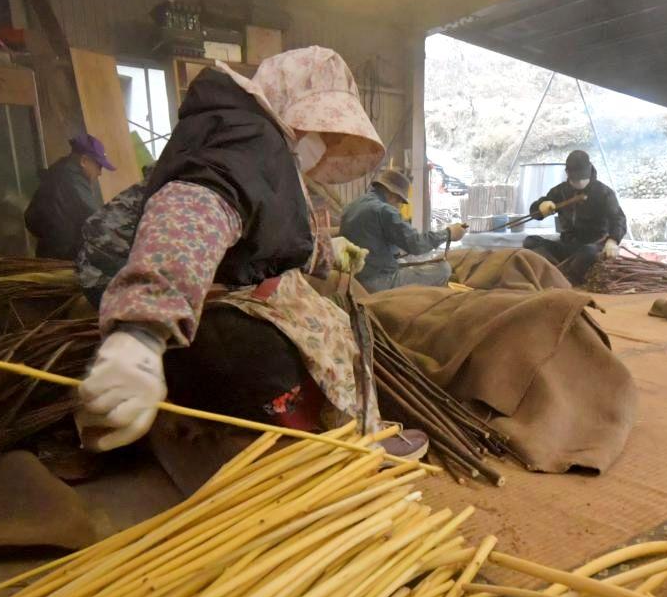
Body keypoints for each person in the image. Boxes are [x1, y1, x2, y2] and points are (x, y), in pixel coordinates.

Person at [75, 46, 426, 460]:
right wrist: (141, 330)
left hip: (175, 272)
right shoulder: (248, 140)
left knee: (312, 306)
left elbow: (260, 235)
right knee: (316, 326)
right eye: (322, 132)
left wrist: (326, 251)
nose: (324, 145)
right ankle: (345, 436)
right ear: (292, 108)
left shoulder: (248, 139)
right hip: (148, 277)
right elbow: (196, 210)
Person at [339, 168, 466, 293]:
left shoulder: (352, 205)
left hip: (353, 278)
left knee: (402, 261)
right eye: (400, 202)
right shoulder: (385, 210)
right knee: (444, 269)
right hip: (375, 282)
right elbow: (417, 245)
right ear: (394, 195)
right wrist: (449, 233)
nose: (399, 206)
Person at [522, 150, 627, 285]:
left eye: (582, 179)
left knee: (587, 253)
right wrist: (540, 207)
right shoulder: (560, 191)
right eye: (574, 180)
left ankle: (562, 275)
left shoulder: (603, 192)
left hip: (594, 246)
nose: (579, 183)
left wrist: (613, 241)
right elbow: (535, 213)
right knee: (530, 241)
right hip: (567, 245)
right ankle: (558, 270)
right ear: (568, 174)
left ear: (589, 172)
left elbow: (618, 219)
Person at [25, 134, 115, 260]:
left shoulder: (57, 174)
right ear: (84, 161)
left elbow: (31, 218)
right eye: (99, 166)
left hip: (48, 254)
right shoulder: (72, 180)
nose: (100, 173)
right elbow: (97, 220)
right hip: (62, 260)